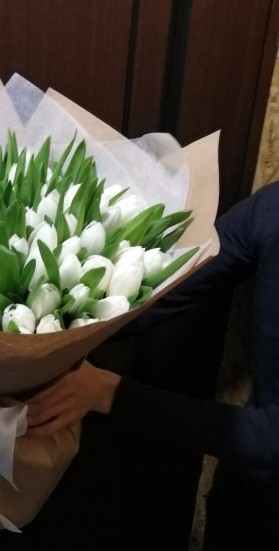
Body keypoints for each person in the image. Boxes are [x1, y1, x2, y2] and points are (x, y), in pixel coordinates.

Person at [26, 181, 279, 551]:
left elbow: (271, 440)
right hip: (243, 492)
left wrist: (111, 394)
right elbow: (177, 286)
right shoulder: (273, 208)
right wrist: (56, 327)